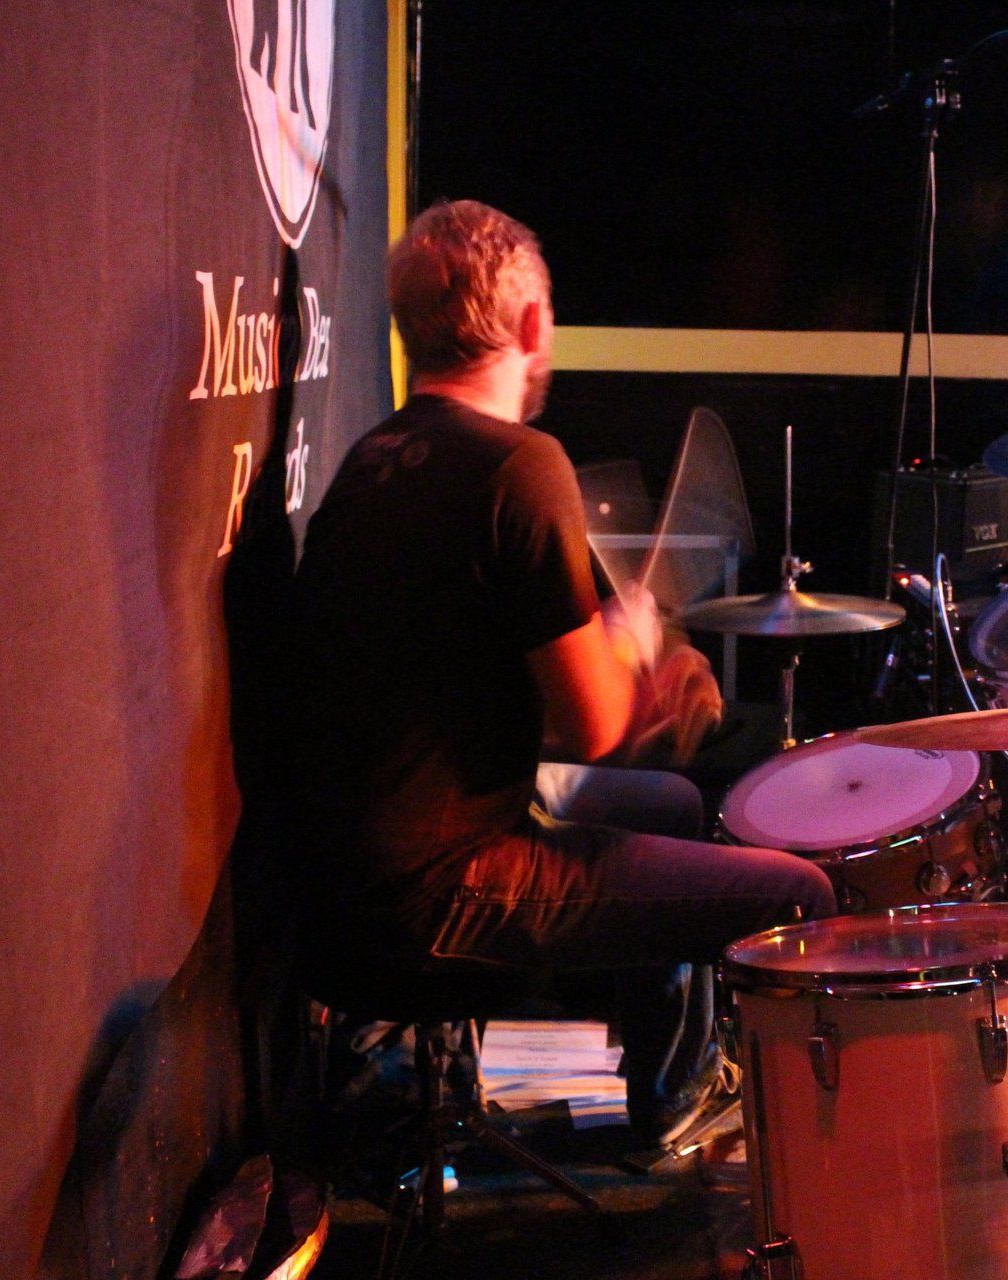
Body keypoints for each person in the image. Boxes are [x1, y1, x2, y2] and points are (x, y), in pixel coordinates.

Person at [283, 199, 835, 1146]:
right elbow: (599, 730)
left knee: (660, 806)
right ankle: (805, 1169)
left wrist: (611, 653)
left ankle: (675, 1090)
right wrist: (648, 663)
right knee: (799, 894)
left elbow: (447, 695)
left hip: (320, 893)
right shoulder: (519, 466)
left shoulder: (370, 461)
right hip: (432, 894)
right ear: (532, 324)